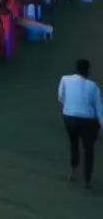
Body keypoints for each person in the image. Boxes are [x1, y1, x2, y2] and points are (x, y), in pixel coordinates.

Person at [58, 59, 103, 187]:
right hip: (87, 122)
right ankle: (87, 179)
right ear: (87, 70)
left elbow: (61, 97)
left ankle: (72, 172)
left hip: (69, 118)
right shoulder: (93, 86)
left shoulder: (65, 80)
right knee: (88, 149)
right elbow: (99, 110)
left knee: (74, 144)